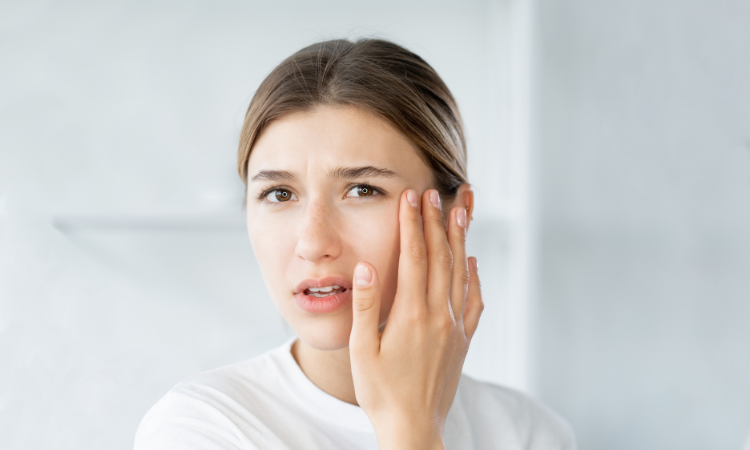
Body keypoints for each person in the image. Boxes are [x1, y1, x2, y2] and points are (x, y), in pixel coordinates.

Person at [134, 38, 576, 450]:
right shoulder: (201, 427)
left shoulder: (527, 434)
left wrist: (412, 424)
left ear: (454, 214)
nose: (313, 243)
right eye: (279, 194)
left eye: (362, 190)